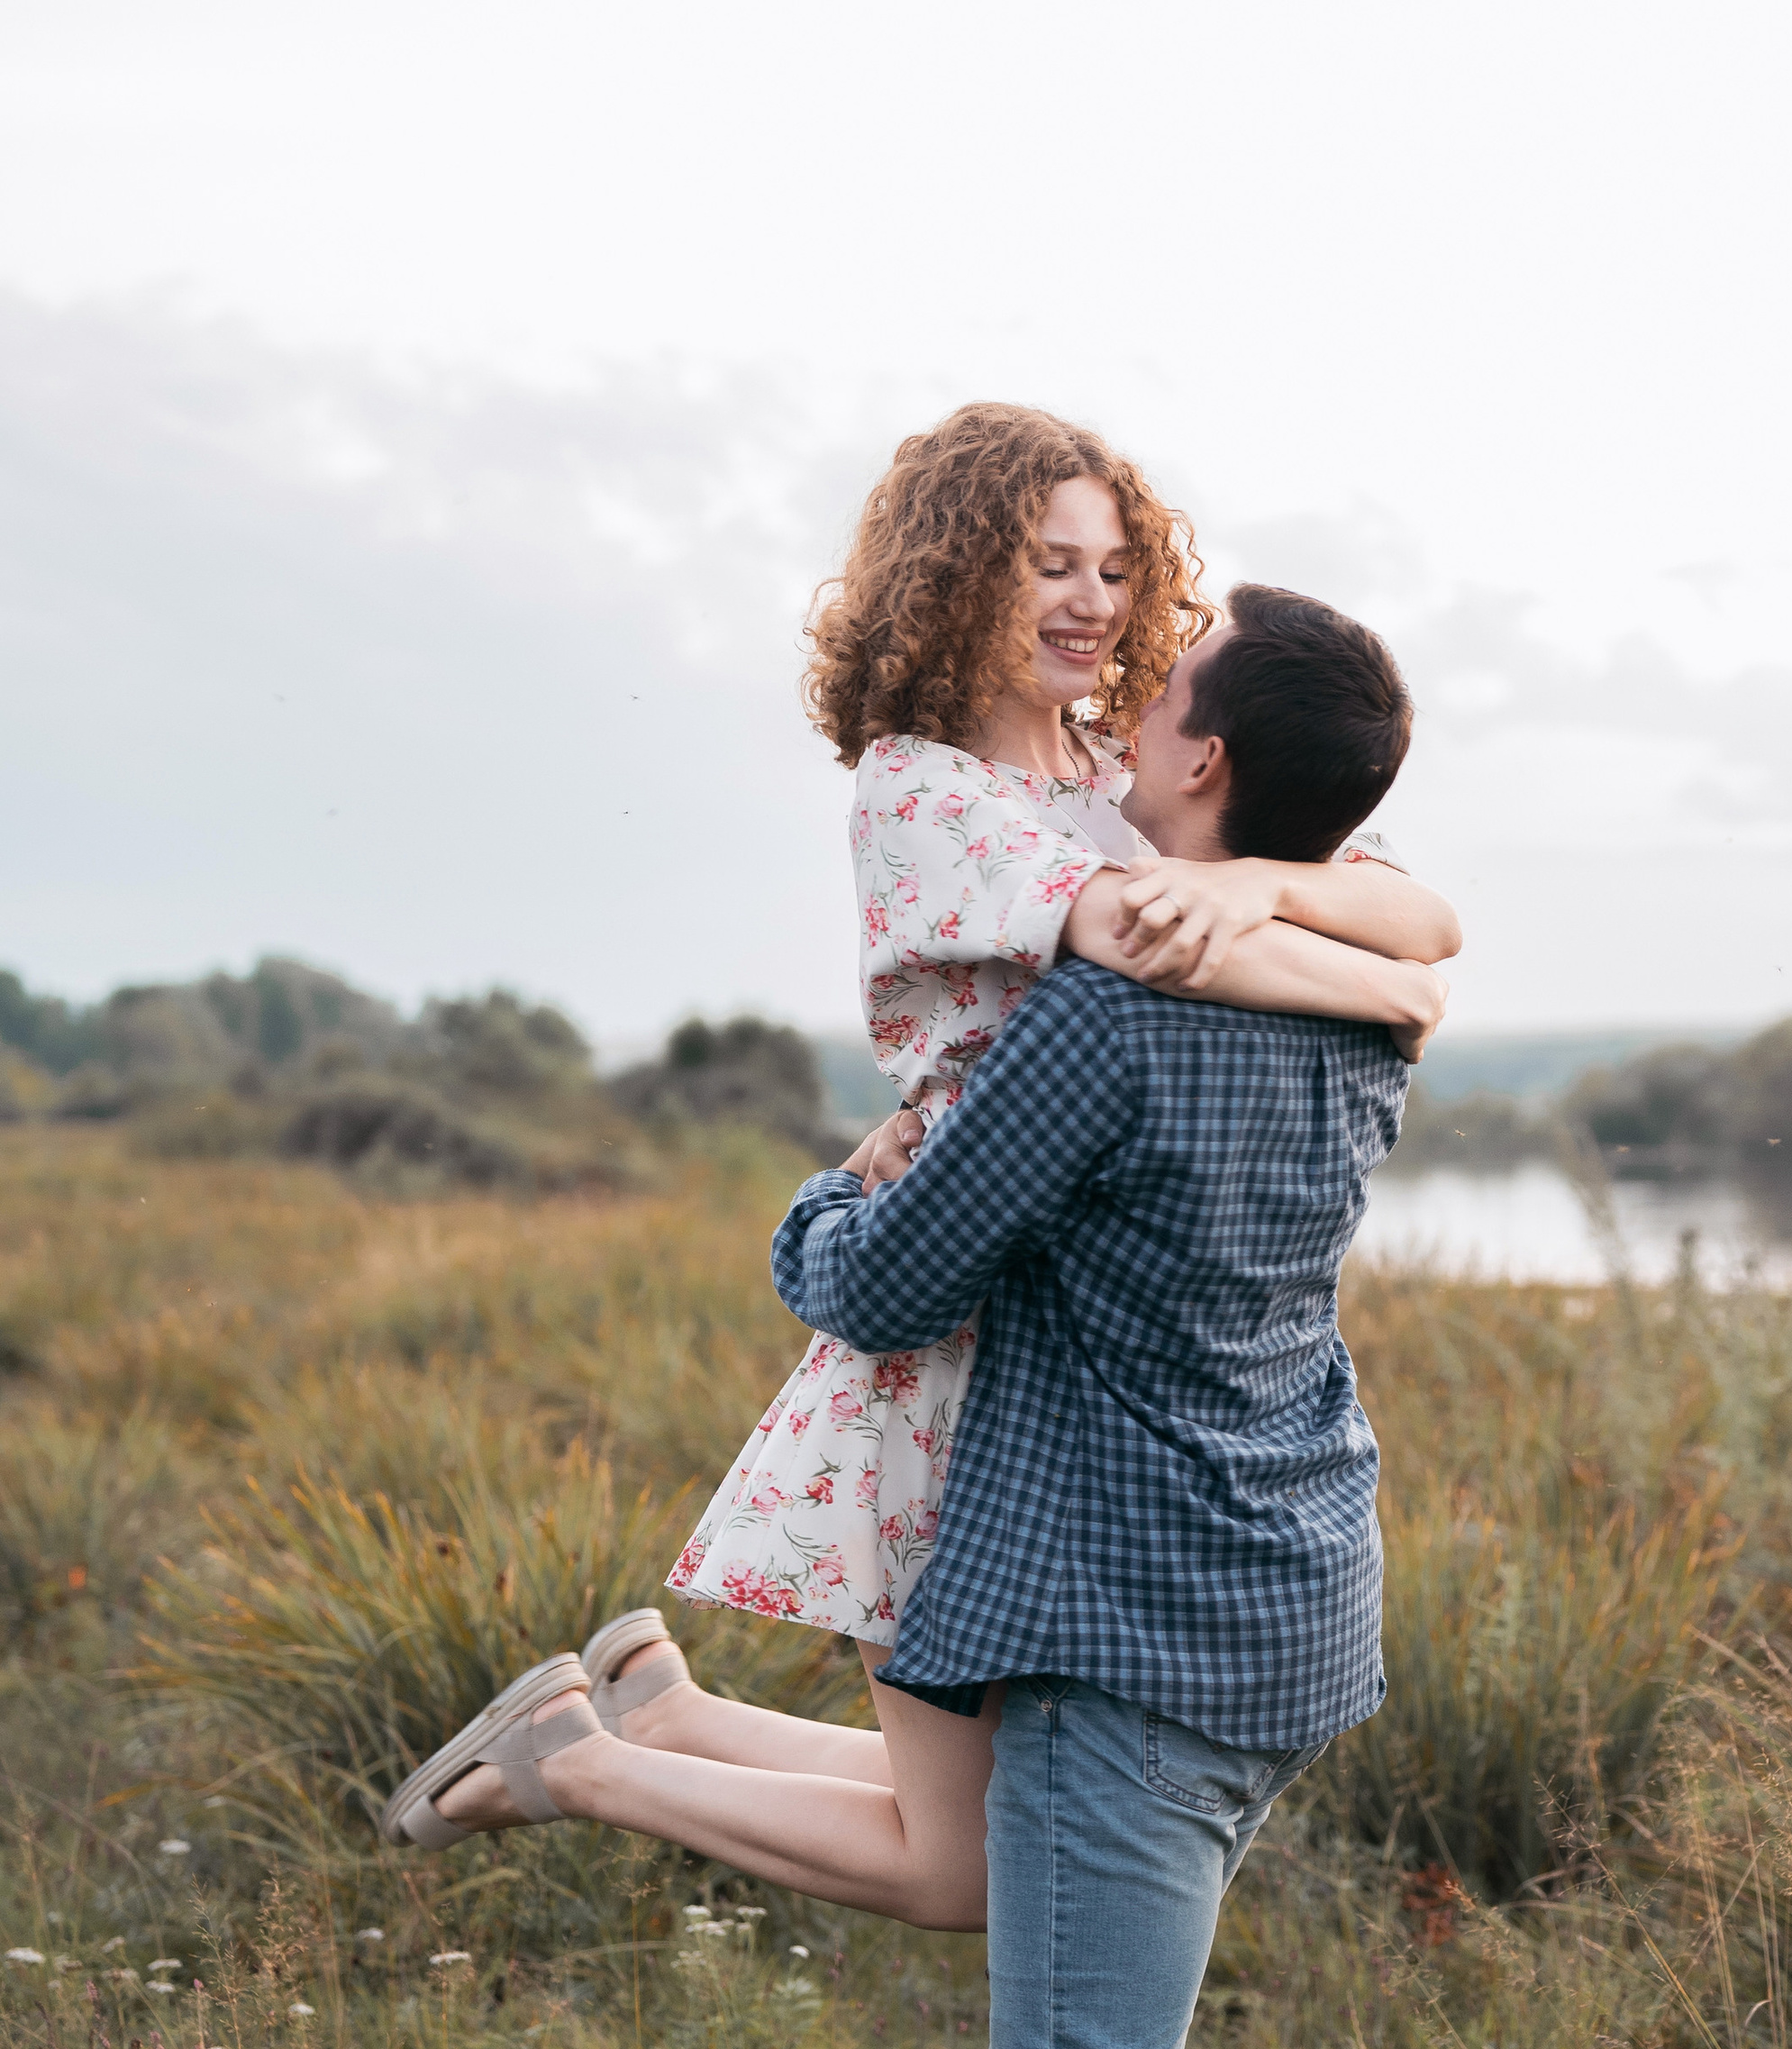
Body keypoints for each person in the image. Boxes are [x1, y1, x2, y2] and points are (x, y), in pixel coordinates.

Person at [385, 583, 1421, 2049]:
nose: (1127, 703)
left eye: (1166, 692)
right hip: (1281, 1589)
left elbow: (898, 1276)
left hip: (1128, 1619)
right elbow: (1406, 925)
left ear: (1204, 769)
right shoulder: (1354, 999)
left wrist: (809, 1207)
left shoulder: (1107, 1014)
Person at [382, 405, 1456, 1940]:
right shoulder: (926, 791)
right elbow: (1130, 945)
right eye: (1047, 566)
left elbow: (1425, 930)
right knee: (962, 1864)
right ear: (956, 578)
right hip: (956, 1333)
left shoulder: (1117, 761)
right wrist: (1342, 967)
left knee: (990, 1818)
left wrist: (1298, 907)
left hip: (1063, 1335)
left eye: (1112, 565)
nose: (1092, 601)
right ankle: (587, 1763)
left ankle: (665, 1724)